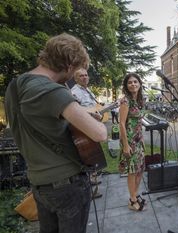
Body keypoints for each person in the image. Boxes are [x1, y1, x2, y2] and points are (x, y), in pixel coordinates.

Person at [5, 33, 107, 233]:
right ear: (69, 65)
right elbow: (99, 134)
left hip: (39, 183)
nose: (72, 76)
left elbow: (41, 124)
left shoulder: (15, 86)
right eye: (75, 70)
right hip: (67, 185)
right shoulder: (51, 90)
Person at [71, 68, 103, 199]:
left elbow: (93, 107)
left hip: (92, 127)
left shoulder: (87, 90)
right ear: (76, 79)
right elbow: (75, 111)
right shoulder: (74, 92)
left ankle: (94, 180)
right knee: (88, 158)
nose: (84, 77)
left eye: (86, 75)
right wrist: (92, 114)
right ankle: (90, 191)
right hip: (84, 129)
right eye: (81, 76)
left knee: (94, 156)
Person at [119, 73, 146, 211]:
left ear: (140, 84)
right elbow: (122, 124)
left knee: (140, 170)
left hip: (138, 140)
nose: (133, 84)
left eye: (135, 81)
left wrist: (142, 140)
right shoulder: (125, 101)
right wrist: (125, 145)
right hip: (129, 141)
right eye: (130, 82)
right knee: (133, 171)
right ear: (126, 85)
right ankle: (132, 200)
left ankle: (135, 195)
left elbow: (139, 122)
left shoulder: (140, 100)